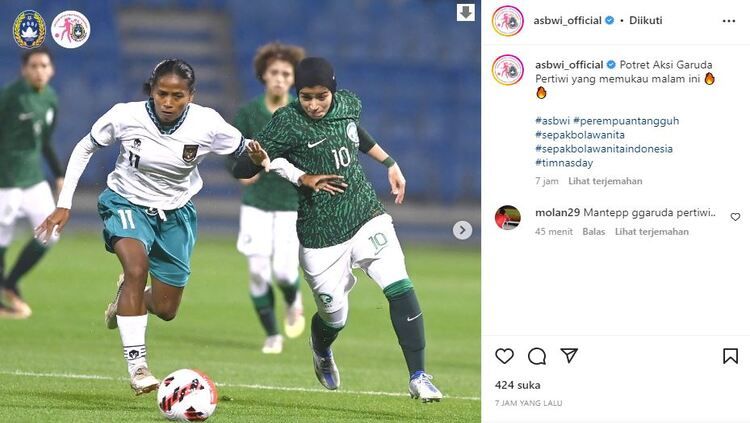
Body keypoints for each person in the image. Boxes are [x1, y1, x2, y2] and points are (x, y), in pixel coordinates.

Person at [33, 59, 307, 395]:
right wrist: (64, 203)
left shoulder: (207, 124)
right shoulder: (125, 116)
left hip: (176, 214)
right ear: (151, 90)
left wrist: (288, 172)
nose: (168, 102)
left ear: (190, 96)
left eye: (177, 96)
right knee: (136, 267)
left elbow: (251, 153)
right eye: (162, 93)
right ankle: (139, 367)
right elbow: (85, 146)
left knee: (165, 308)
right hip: (125, 201)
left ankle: (125, 301)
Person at [235, 58, 443, 402]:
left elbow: (353, 133)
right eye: (306, 97)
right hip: (321, 235)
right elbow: (243, 167)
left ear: (333, 91)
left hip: (364, 213)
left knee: (399, 283)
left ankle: (419, 376)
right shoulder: (286, 123)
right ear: (296, 94)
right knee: (334, 317)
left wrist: (389, 162)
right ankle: (321, 347)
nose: (314, 105)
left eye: (321, 96)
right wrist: (255, 161)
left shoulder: (348, 103)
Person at [232, 42, 307, 354]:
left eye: (286, 73)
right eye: (274, 72)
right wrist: (241, 172)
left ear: (293, 79)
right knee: (258, 271)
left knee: (285, 273)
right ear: (263, 75)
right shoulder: (249, 113)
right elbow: (231, 150)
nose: (279, 78)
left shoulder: (302, 114)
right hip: (257, 204)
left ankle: (293, 299)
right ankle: (272, 334)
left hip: (291, 204)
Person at [0, 46, 64, 319]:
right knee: (2, 237)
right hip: (5, 178)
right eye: (34, 66)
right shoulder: (10, 97)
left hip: (33, 179)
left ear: (52, 70)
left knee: (51, 232)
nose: (39, 71)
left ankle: (10, 282)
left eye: (44, 66)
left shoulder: (50, 98)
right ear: (24, 70)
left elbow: (45, 140)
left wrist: (58, 173)